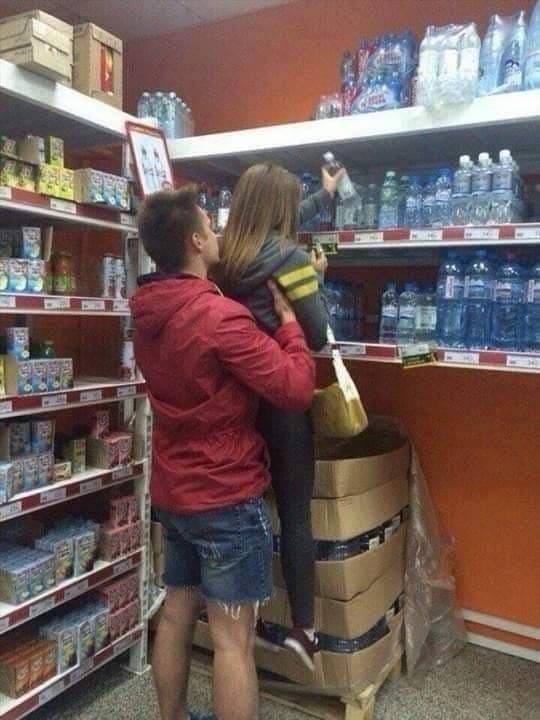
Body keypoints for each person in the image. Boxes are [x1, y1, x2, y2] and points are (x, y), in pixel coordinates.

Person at [130, 187, 316, 720]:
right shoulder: (221, 318)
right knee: (234, 640)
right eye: (211, 228)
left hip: (175, 491)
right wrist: (289, 326)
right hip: (226, 495)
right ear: (194, 240)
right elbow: (294, 388)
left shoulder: (145, 310)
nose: (217, 235)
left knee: (176, 614)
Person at [217, 161, 344, 670]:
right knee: (295, 511)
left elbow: (275, 222)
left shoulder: (224, 254)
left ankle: (237, 620)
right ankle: (303, 631)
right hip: (283, 397)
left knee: (244, 505)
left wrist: (322, 195)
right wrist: (316, 278)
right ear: (281, 212)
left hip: (235, 399)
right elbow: (315, 333)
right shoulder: (291, 257)